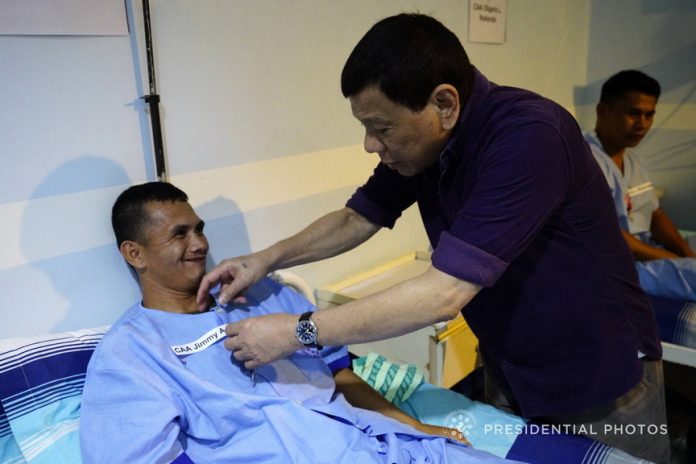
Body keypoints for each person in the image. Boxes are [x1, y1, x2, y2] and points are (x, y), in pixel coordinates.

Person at [197, 14, 670, 462]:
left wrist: (296, 331)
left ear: (444, 104)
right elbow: (355, 219)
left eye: (380, 128)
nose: (370, 145)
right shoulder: (424, 146)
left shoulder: (528, 136)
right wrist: (264, 258)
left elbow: (443, 293)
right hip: (513, 365)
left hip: (599, 370)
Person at [79, 181, 512, 464]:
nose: (200, 244)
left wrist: (414, 427)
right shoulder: (131, 352)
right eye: (179, 234)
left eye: (199, 229)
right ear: (134, 254)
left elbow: (342, 375)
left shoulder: (261, 294)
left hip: (378, 444)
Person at [585, 70, 696, 301]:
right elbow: (609, 234)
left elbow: (654, 214)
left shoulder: (633, 160)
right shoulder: (586, 160)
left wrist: (687, 254)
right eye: (634, 114)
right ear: (602, 111)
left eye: (649, 115)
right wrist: (673, 260)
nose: (642, 124)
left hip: (645, 251)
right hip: (617, 264)